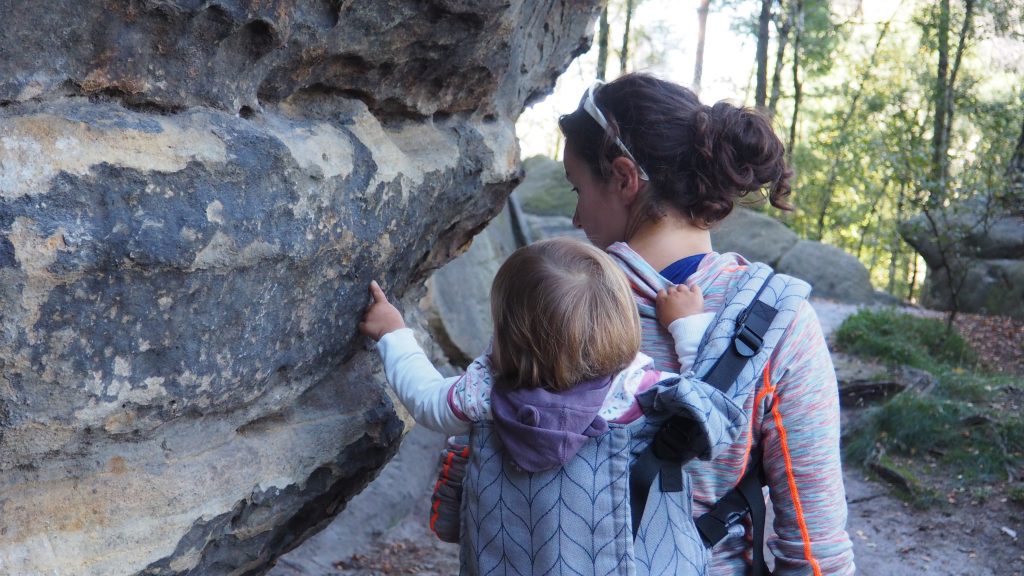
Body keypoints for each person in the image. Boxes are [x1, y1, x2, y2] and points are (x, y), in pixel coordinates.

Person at [557, 73, 855, 576]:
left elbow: (462, 496)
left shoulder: (550, 296)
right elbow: (814, 546)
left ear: (625, 178)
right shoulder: (780, 322)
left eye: (578, 189)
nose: (574, 216)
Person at [359, 237, 741, 574]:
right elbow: (708, 401)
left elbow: (426, 400)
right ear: (621, 323)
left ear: (507, 332)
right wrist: (686, 324)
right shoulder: (642, 392)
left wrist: (393, 333)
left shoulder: (486, 394)